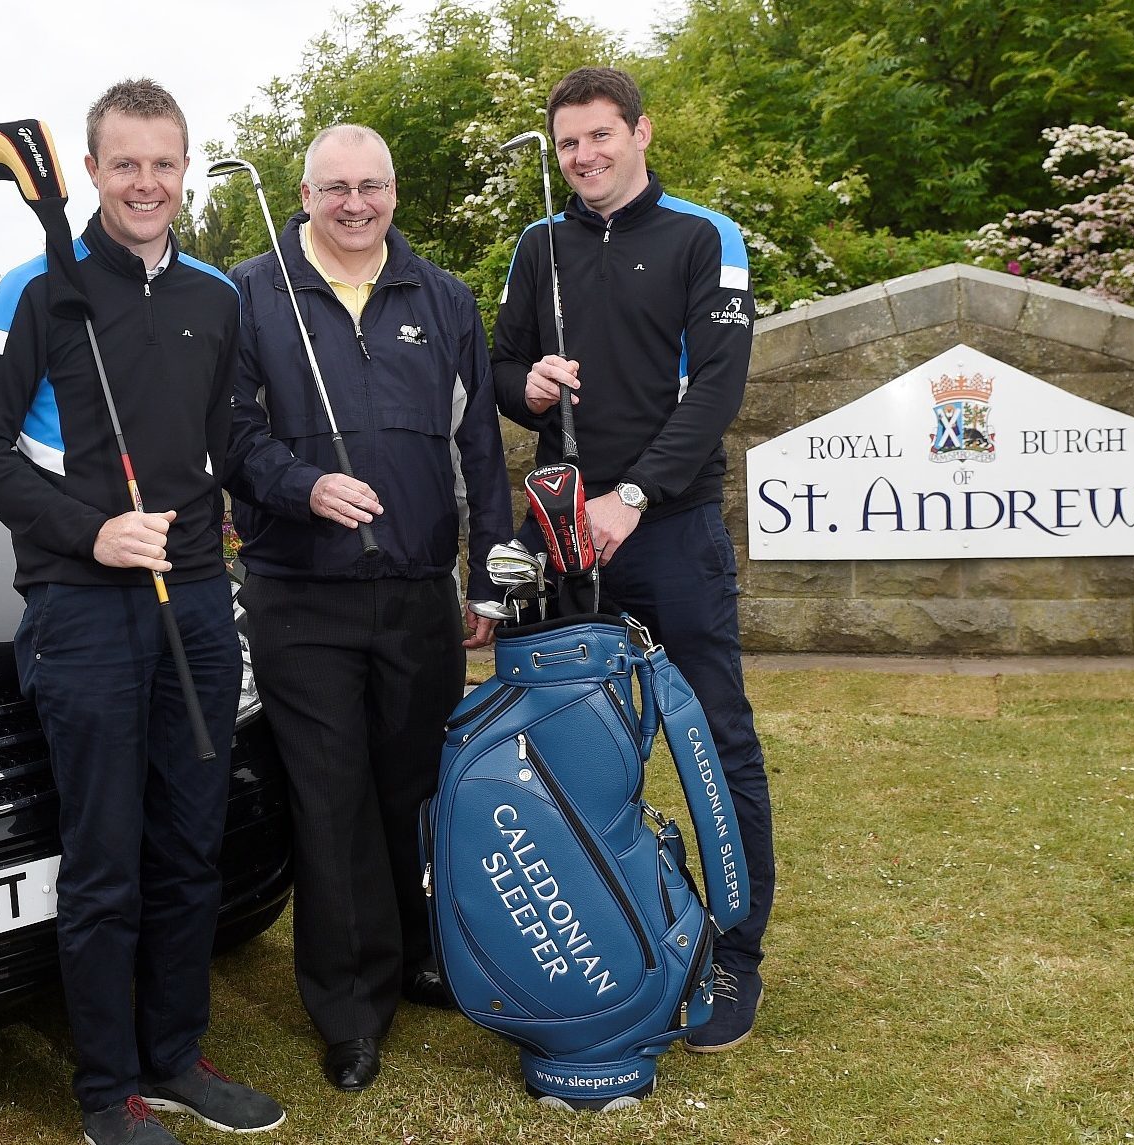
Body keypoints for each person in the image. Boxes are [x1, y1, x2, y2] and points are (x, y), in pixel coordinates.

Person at [0, 79, 284, 1145]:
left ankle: (174, 1054)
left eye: (165, 163)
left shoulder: (215, 298)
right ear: (90, 172)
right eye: (126, 163)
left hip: (192, 599)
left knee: (191, 844)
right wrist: (89, 531)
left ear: (187, 170)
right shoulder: (32, 290)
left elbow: (223, 441)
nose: (147, 183)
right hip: (82, 608)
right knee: (105, 857)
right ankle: (107, 1091)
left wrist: (296, 491)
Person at [491, 65, 777, 1054]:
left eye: (600, 137)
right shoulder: (538, 243)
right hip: (563, 535)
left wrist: (635, 495)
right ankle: (599, 933)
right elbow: (498, 368)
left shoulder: (704, 236)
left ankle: (735, 953)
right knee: (564, 751)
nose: (583, 158)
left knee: (711, 742)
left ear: (640, 133)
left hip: (674, 531)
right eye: (568, 143)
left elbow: (716, 388)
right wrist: (526, 383)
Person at [225, 124, 514, 1093]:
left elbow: (479, 448)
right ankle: (350, 1006)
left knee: (413, 789)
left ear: (395, 192)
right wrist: (299, 483)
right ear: (304, 192)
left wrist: (484, 579)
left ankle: (421, 953)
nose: (355, 204)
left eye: (372, 186)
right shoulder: (247, 293)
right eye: (335, 187)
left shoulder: (441, 297)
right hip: (299, 593)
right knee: (331, 796)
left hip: (416, 589)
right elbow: (228, 432)